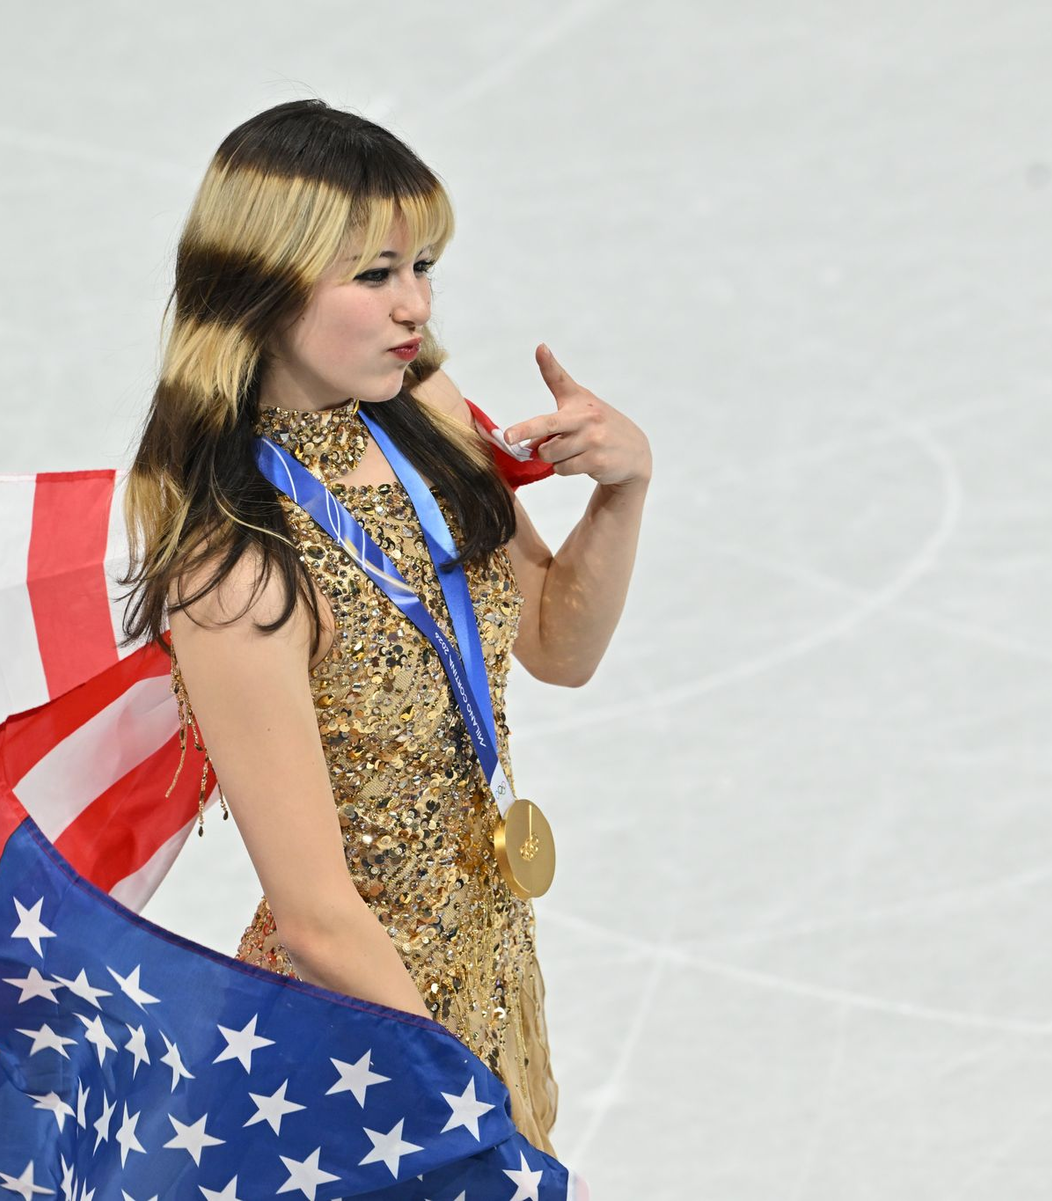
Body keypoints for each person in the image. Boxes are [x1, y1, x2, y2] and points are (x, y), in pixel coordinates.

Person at [119, 97, 651, 1163]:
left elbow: (557, 642)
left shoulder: (426, 412)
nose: (415, 306)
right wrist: (467, 1123)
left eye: (423, 266)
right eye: (373, 274)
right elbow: (316, 916)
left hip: (485, 984)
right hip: (355, 1052)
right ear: (262, 286)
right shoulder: (235, 564)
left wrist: (622, 490)